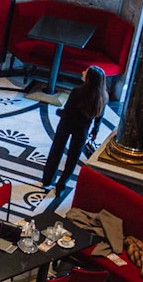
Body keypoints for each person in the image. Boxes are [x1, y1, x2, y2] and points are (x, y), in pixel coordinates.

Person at [38, 65, 109, 204]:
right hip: (82, 130)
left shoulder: (77, 92)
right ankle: (61, 185)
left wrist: (58, 112)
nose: (82, 72)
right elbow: (99, 116)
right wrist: (95, 130)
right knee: (73, 158)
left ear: (89, 78)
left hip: (66, 125)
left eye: (86, 72)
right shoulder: (103, 97)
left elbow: (67, 111)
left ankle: (48, 180)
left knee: (56, 151)